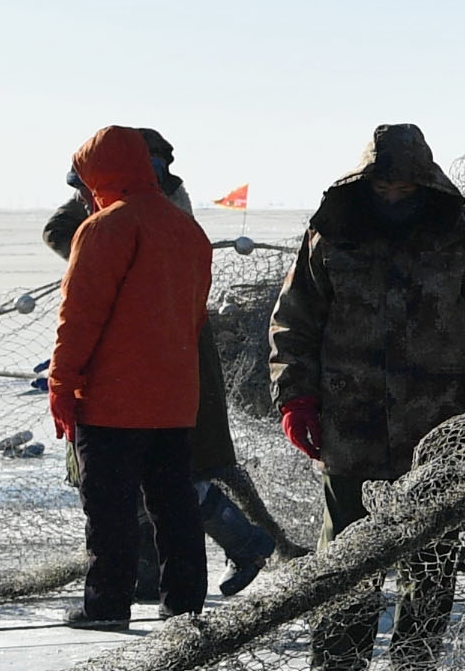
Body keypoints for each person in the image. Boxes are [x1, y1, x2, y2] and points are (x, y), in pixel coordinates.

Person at [269, 124, 465, 671]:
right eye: (382, 185)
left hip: (439, 428)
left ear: (425, 182)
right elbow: (294, 323)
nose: (393, 196)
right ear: (364, 181)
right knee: (345, 557)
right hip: (349, 423)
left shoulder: (463, 234)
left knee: (429, 558)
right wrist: (295, 398)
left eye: (404, 186)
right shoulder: (330, 231)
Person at [40, 131, 283, 592]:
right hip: (174, 366)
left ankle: (228, 548)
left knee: (141, 484)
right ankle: (169, 582)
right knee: (168, 482)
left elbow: (80, 316)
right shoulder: (173, 219)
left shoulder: (112, 222)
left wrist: (62, 381)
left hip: (128, 374)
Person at [47, 126, 219, 630]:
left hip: (111, 400)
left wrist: (62, 385)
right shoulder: (188, 231)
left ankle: (106, 605)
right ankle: (184, 605)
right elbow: (195, 316)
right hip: (173, 398)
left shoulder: (103, 229)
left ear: (98, 176)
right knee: (174, 505)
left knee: (109, 508)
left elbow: (78, 317)